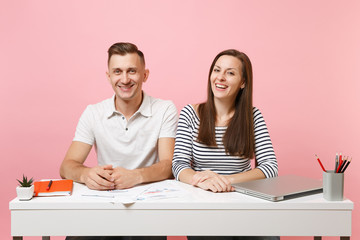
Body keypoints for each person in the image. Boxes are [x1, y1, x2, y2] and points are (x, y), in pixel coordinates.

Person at [60, 42, 177, 240]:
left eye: (132, 71)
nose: (124, 79)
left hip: (148, 209)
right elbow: (66, 167)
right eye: (117, 71)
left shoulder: (164, 109)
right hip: (103, 205)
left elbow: (169, 166)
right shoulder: (93, 113)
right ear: (109, 76)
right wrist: (87, 174)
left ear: (145, 75)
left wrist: (135, 176)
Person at [172, 49, 279, 240]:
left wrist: (226, 181)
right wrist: (203, 181)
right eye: (217, 70)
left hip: (245, 204)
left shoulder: (253, 117)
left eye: (230, 73)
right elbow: (178, 165)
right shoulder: (190, 113)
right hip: (204, 206)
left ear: (243, 83)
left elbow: (270, 167)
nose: (220, 78)